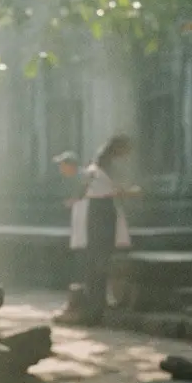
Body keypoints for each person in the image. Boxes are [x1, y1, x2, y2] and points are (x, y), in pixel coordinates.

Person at [71, 135, 140, 325]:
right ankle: (96, 307)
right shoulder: (105, 168)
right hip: (102, 212)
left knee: (96, 259)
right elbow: (116, 189)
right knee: (100, 259)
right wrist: (132, 192)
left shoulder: (97, 166)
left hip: (96, 212)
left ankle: (96, 304)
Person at [52, 151, 89, 323]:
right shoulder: (73, 180)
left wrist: (73, 201)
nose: (60, 169)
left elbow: (81, 198)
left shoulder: (81, 178)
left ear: (70, 165)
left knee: (82, 261)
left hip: (85, 228)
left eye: (63, 165)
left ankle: (80, 299)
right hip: (78, 228)